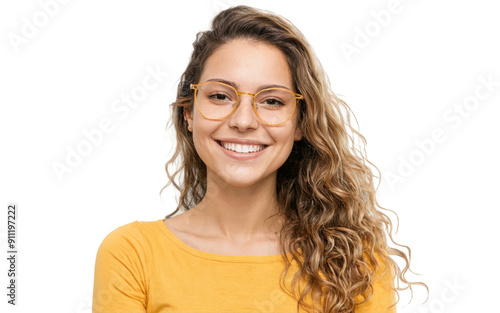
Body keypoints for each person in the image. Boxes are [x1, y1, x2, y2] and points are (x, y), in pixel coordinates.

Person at [92, 5, 426, 313]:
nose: (243, 121)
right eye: (220, 96)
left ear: (300, 123)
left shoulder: (354, 261)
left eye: (272, 101)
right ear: (189, 113)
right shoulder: (132, 254)